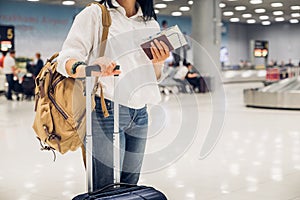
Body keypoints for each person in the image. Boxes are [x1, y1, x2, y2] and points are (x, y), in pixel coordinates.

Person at [56, 0, 170, 190]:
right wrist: (93, 68)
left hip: (141, 113)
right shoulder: (95, 14)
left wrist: (158, 62)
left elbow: (154, 77)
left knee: (130, 186)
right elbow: (65, 61)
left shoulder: (150, 23)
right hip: (104, 110)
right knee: (104, 187)